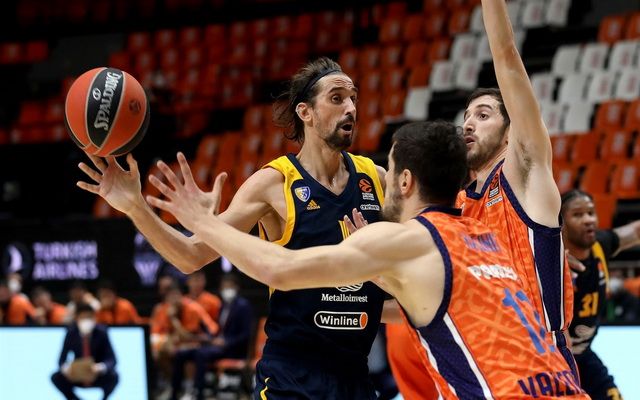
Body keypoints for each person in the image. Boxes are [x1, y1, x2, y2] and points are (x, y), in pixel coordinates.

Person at [149, 120, 589, 398]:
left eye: (390, 170)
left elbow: (278, 270)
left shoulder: (407, 236)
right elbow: (405, 305)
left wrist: (202, 222)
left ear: (404, 181)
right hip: (564, 387)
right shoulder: (485, 238)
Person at [77, 57, 388, 399]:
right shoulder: (274, 184)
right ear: (306, 112)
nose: (351, 108)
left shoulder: (377, 180)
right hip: (291, 380)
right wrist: (135, 206)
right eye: (337, 98)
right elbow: (190, 256)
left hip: (355, 378)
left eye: (353, 98)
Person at [455, 0, 576, 376]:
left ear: (511, 132)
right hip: (482, 366)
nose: (469, 124)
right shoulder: (456, 206)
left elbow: (506, 58)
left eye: (483, 115)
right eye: (466, 117)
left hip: (538, 362)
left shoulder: (523, 173)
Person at [561, 189, 640, 399]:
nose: (588, 220)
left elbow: (635, 231)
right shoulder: (546, 259)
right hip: (554, 359)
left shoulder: (600, 245)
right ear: (561, 223)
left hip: (584, 355)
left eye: (591, 213)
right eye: (578, 215)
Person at [171, 274, 253, 400]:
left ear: (236, 287)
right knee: (181, 354)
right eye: (224, 287)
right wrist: (208, 337)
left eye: (230, 286)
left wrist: (226, 342)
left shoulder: (243, 306)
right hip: (216, 345)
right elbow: (217, 329)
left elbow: (246, 334)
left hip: (232, 349)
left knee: (201, 354)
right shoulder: (223, 305)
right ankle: (174, 393)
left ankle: (198, 393)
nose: (227, 290)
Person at [150, 282, 218, 397]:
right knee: (159, 353)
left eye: (176, 296)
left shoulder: (192, 308)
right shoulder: (162, 309)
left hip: (206, 339)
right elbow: (159, 332)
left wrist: (173, 319)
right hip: (185, 341)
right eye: (170, 297)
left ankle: (189, 388)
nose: (174, 300)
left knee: (184, 351)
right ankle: (171, 384)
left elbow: (187, 336)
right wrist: (169, 341)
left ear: (182, 296)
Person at [51, 303, 119, 400]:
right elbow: (61, 360)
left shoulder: (101, 333)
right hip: (77, 374)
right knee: (56, 377)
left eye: (89, 317)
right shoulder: (71, 333)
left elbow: (112, 359)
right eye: (83, 317)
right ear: (77, 318)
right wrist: (67, 369)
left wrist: (100, 367)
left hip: (96, 373)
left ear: (94, 318)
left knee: (114, 376)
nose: (86, 320)